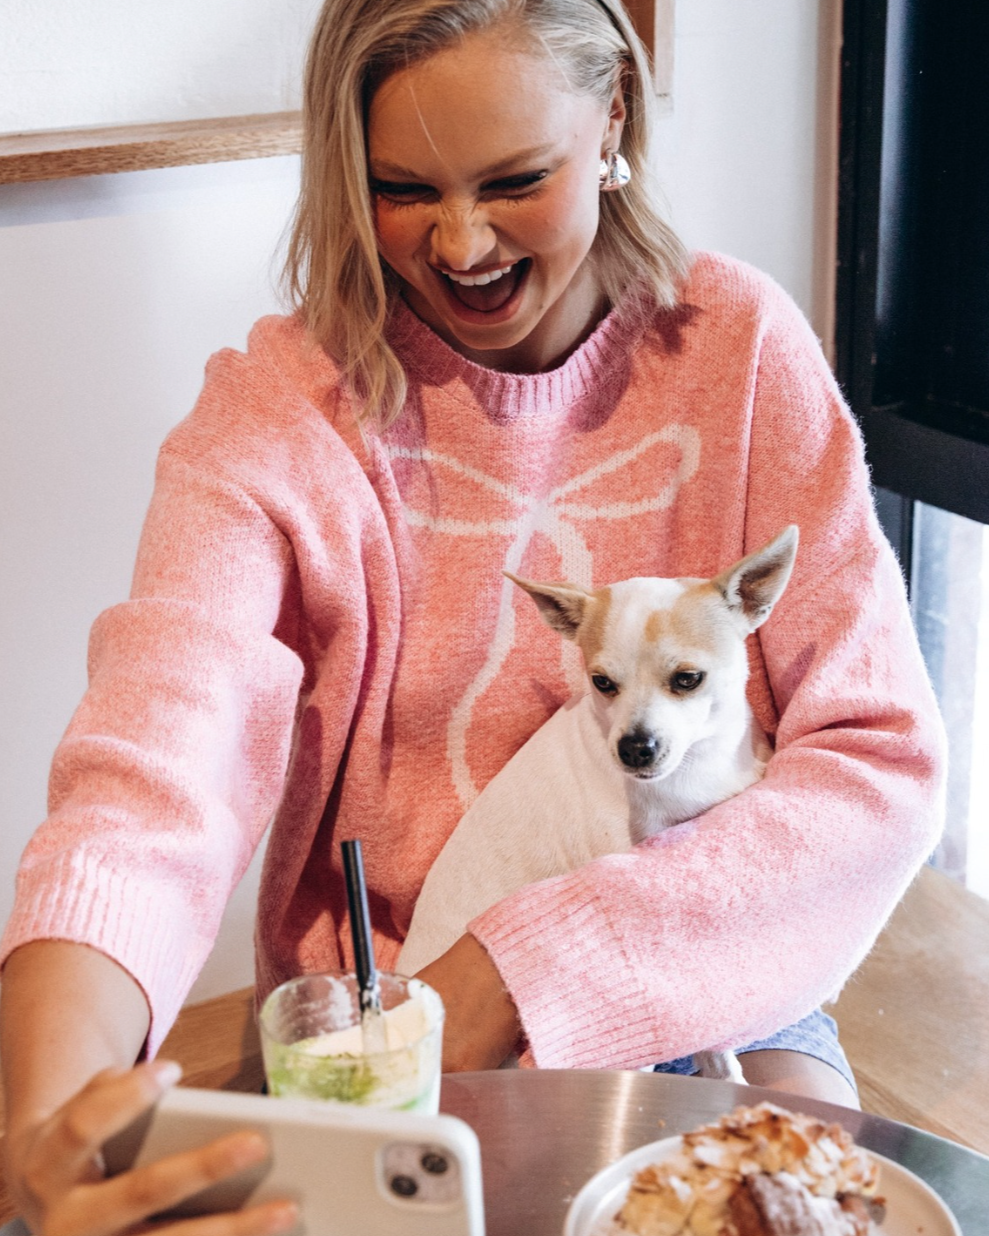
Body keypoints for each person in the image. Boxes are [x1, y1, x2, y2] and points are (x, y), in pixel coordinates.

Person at [0, 0, 945, 1232]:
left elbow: (876, 761)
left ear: (611, 116)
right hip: (383, 1029)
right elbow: (149, 785)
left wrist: (513, 974)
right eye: (400, 188)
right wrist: (40, 1122)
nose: (458, 244)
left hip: (727, 984)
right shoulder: (278, 418)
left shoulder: (740, 352)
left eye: (513, 179)